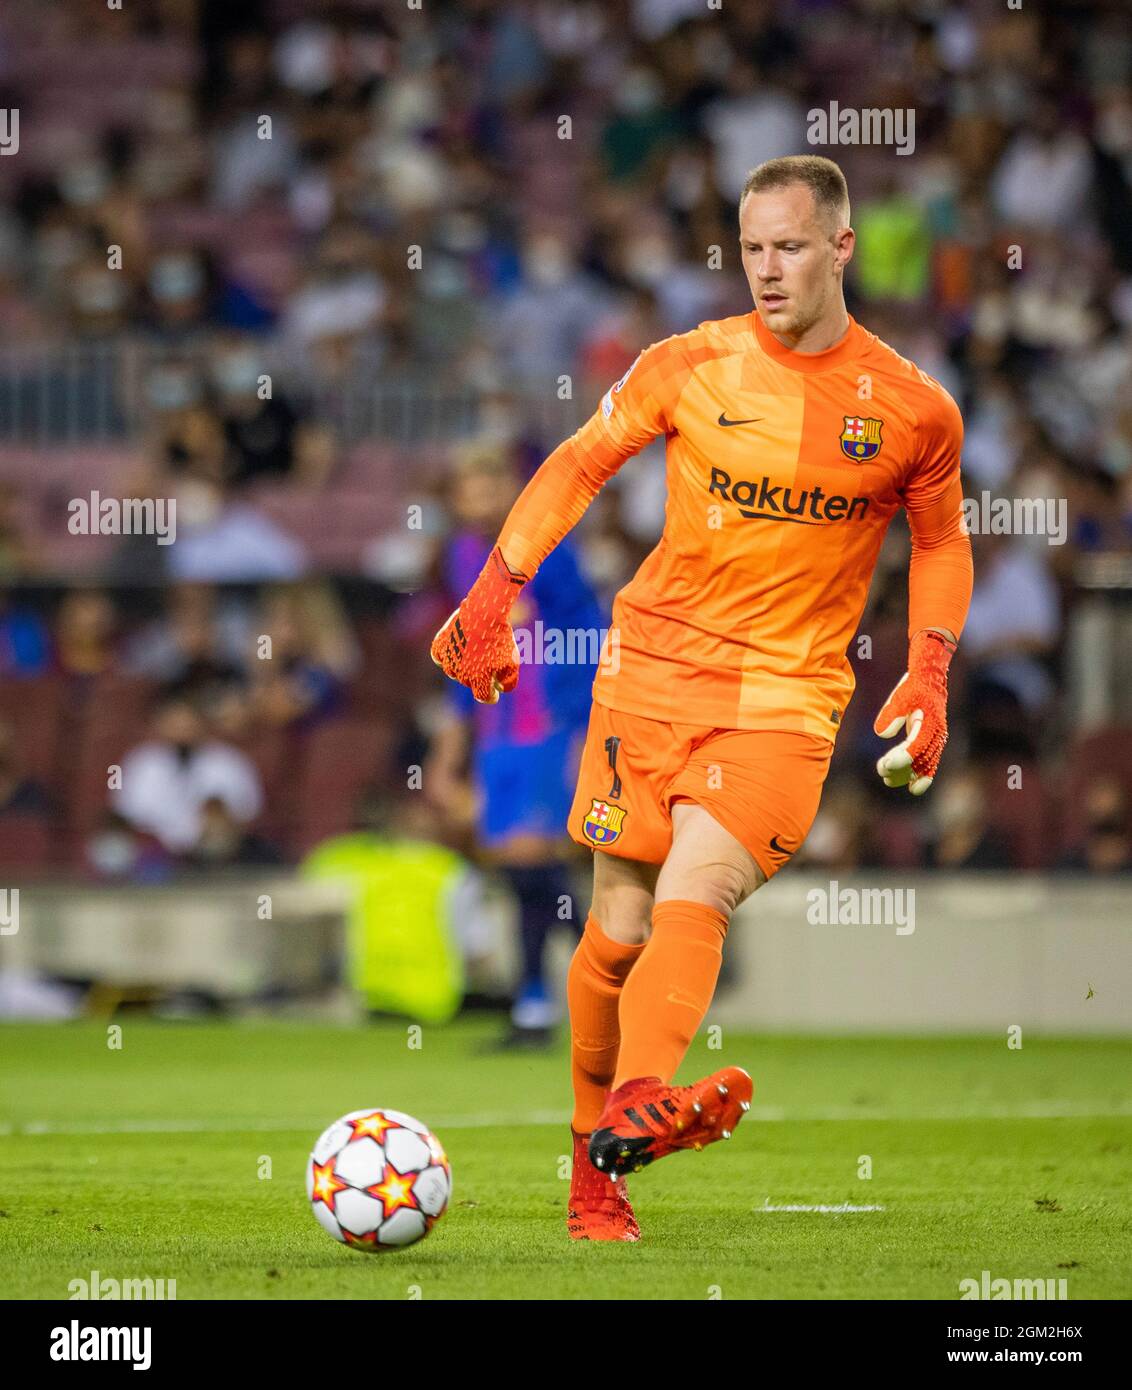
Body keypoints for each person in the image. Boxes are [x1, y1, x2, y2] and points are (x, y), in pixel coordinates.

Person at [430, 156, 973, 1242]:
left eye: (789, 247)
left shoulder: (913, 409)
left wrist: (928, 665)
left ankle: (636, 1102)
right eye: (751, 248)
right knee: (617, 931)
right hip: (649, 672)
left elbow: (942, 542)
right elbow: (579, 464)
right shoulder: (689, 364)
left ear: (841, 248)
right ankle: (601, 1168)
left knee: (703, 878)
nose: (766, 270)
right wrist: (496, 588)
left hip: (785, 692)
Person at [427, 443, 604, 1046]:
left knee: (534, 868)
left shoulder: (550, 547)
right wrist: (450, 748)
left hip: (545, 728)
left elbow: (588, 634)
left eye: (487, 485)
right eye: (464, 489)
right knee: (519, 873)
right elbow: (468, 647)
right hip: (494, 733)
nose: (476, 499)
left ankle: (602, 987)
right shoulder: (461, 556)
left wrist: (586, 728)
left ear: (510, 490)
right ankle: (545, 1003)